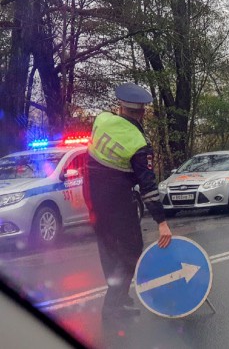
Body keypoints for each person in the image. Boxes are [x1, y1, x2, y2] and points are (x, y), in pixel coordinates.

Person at [84, 82, 172, 320]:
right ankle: (113, 305)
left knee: (108, 249)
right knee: (132, 249)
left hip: (92, 196)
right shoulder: (138, 143)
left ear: (120, 107)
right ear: (141, 112)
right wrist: (161, 222)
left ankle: (119, 299)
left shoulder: (101, 120)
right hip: (117, 200)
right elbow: (148, 186)